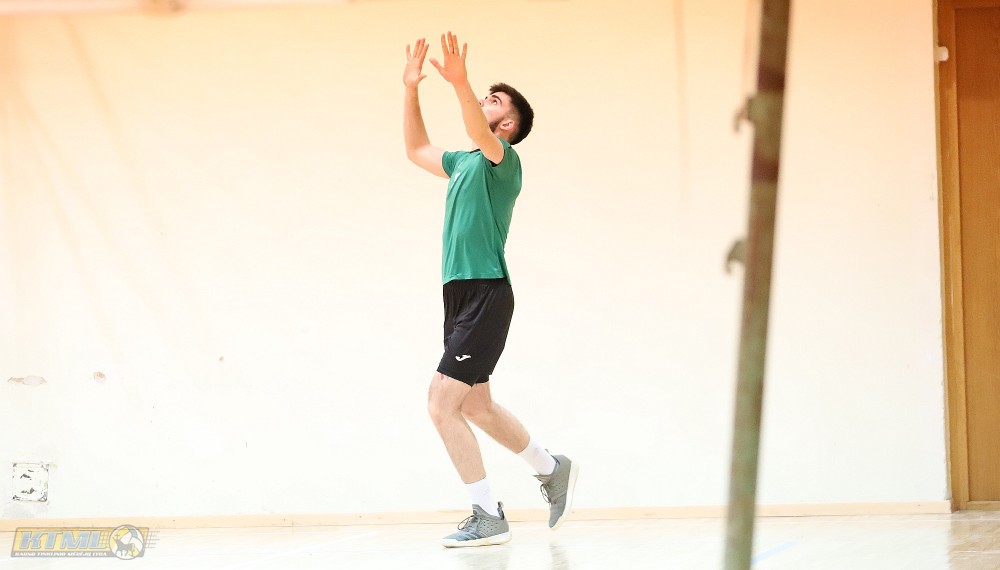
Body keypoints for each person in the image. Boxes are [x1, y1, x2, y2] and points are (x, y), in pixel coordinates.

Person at [402, 32, 578, 548]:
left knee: (440, 403)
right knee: (476, 406)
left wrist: (459, 83)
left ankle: (486, 513)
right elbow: (415, 149)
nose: (484, 99)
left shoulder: (505, 162)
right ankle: (551, 468)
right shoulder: (463, 162)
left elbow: (476, 130)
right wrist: (411, 89)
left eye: (493, 101)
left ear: (507, 126)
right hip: (459, 295)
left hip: (487, 292)